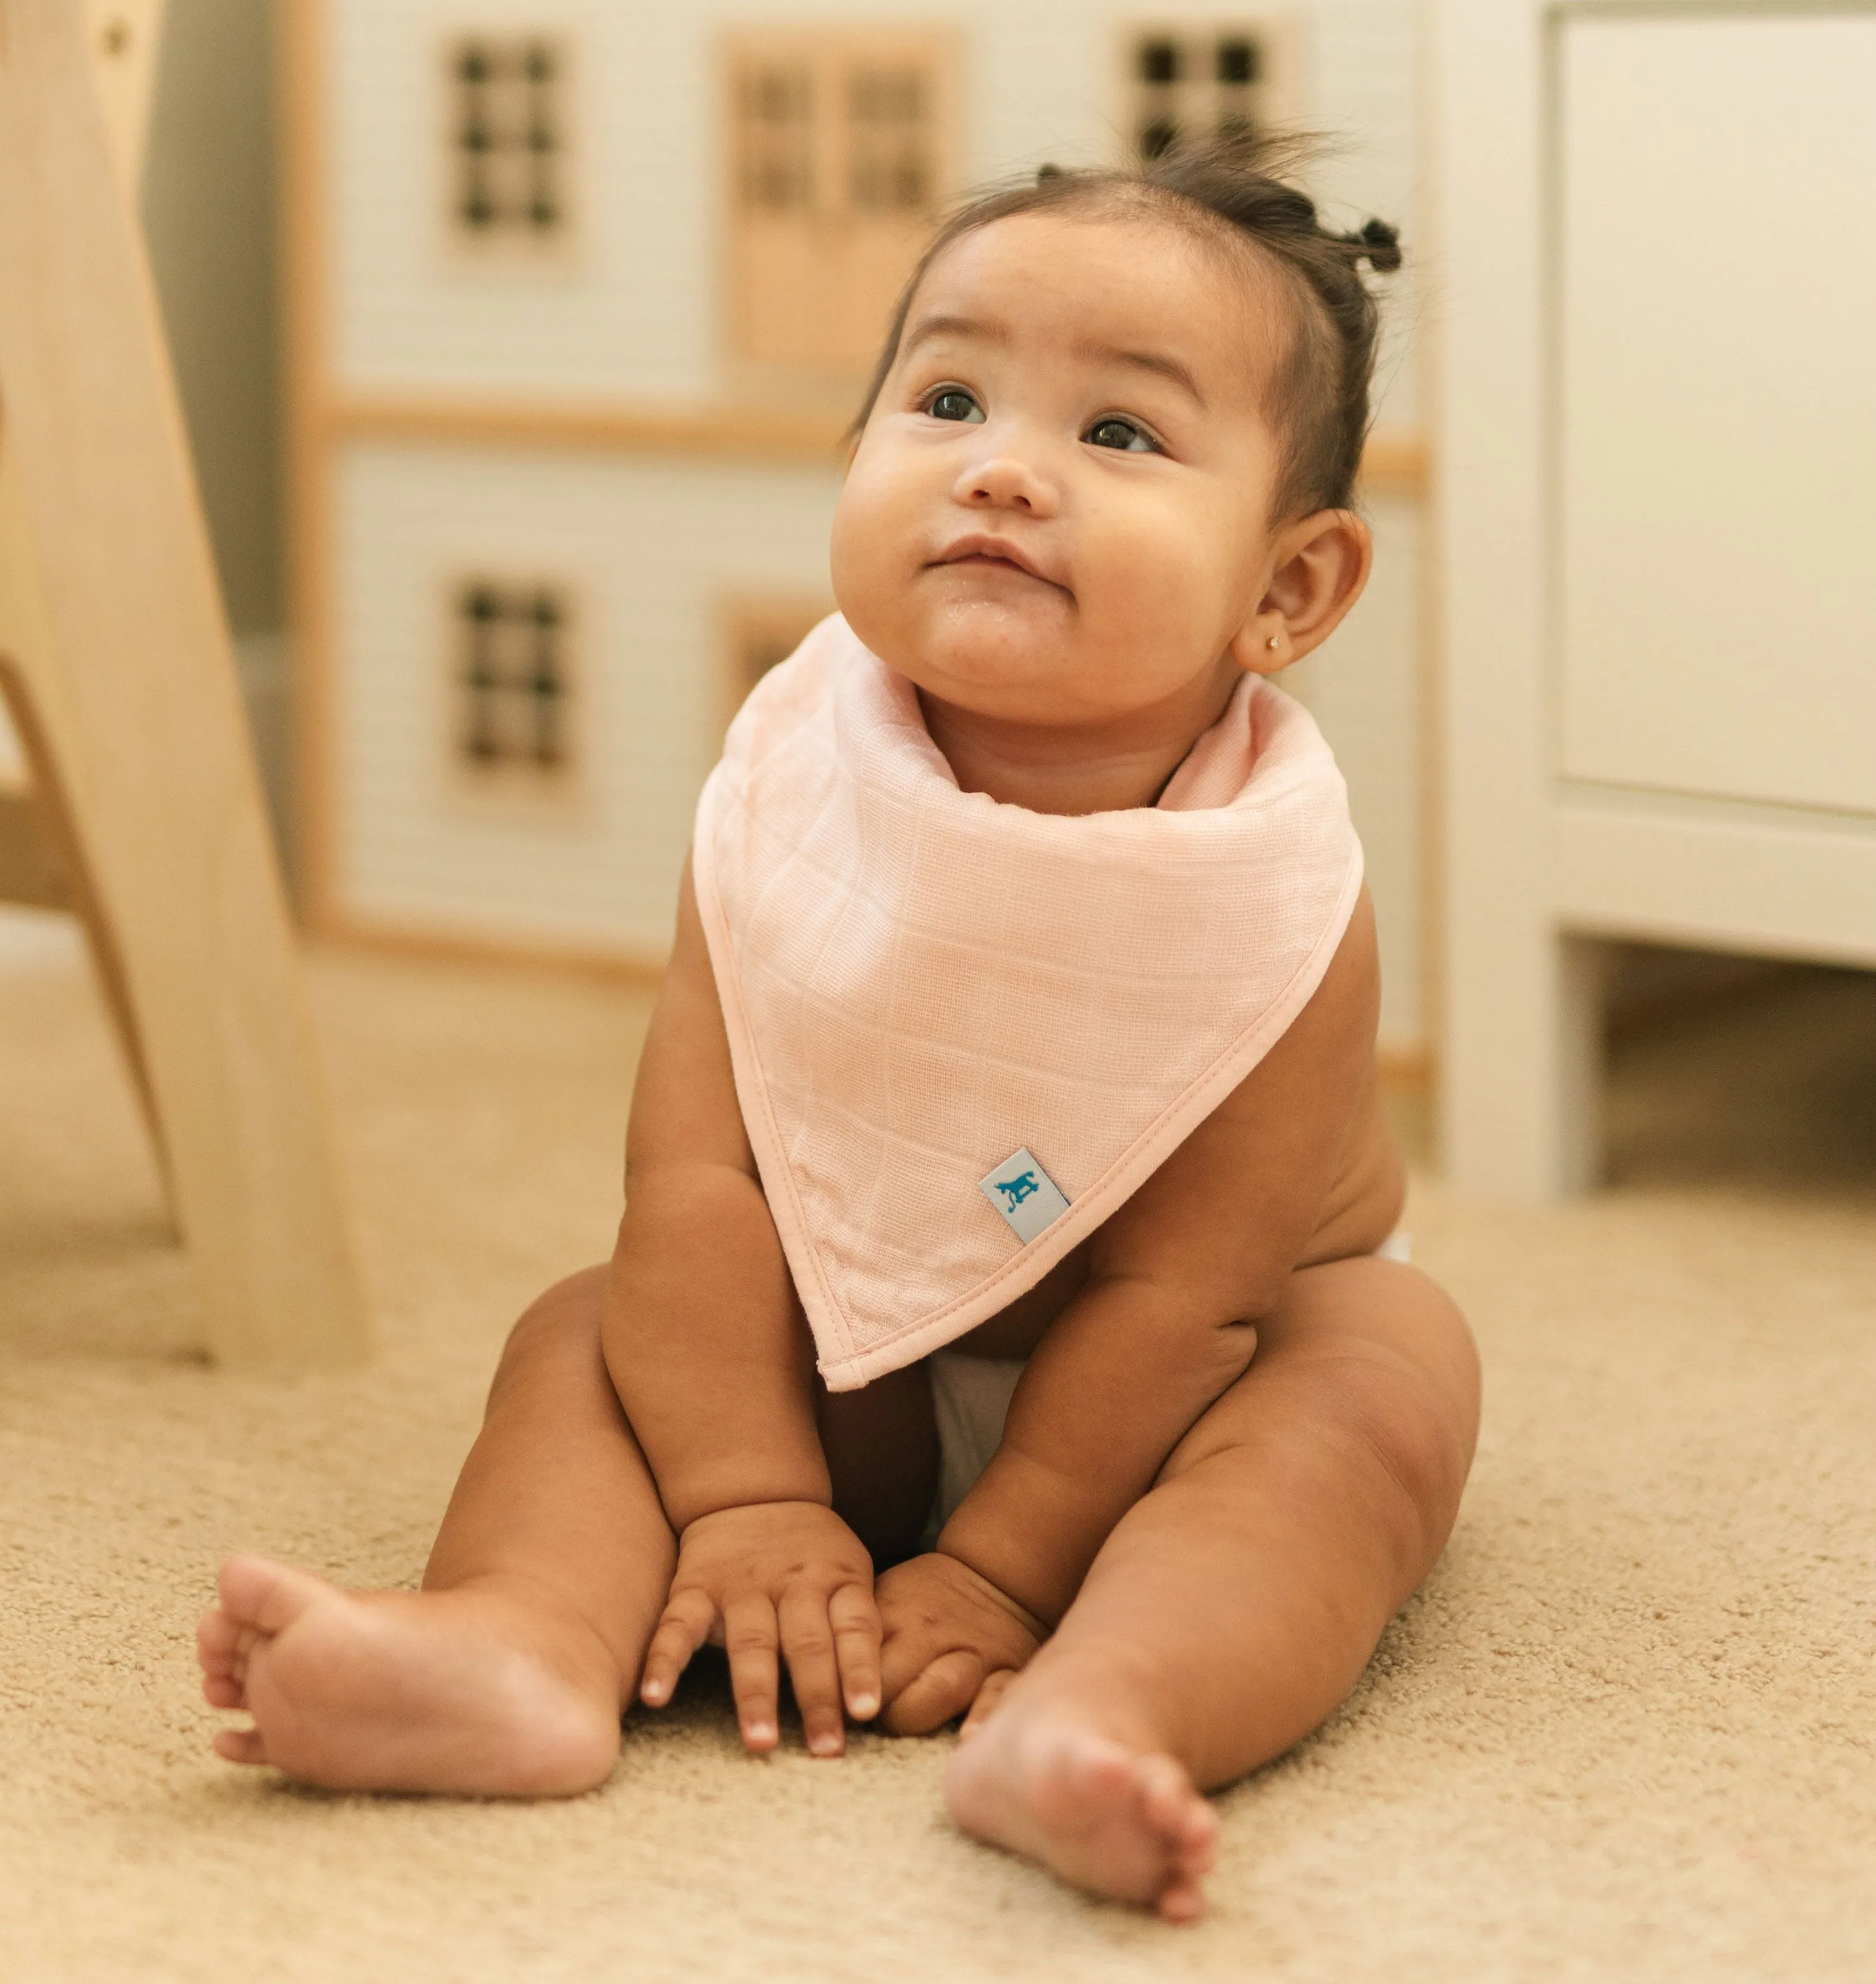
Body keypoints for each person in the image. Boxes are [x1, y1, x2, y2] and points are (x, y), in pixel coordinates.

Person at [198, 132, 1480, 1926]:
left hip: (1181, 1373)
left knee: (1382, 1385)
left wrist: (1014, 1571)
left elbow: (1195, 1294)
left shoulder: (1269, 890)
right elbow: (704, 1174)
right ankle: (522, 1650)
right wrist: (742, 1500)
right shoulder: (794, 795)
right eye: (948, 397)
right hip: (853, 1338)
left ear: (1288, 591)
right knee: (587, 1335)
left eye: (1117, 435)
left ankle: (1111, 1707)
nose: (1006, 472)